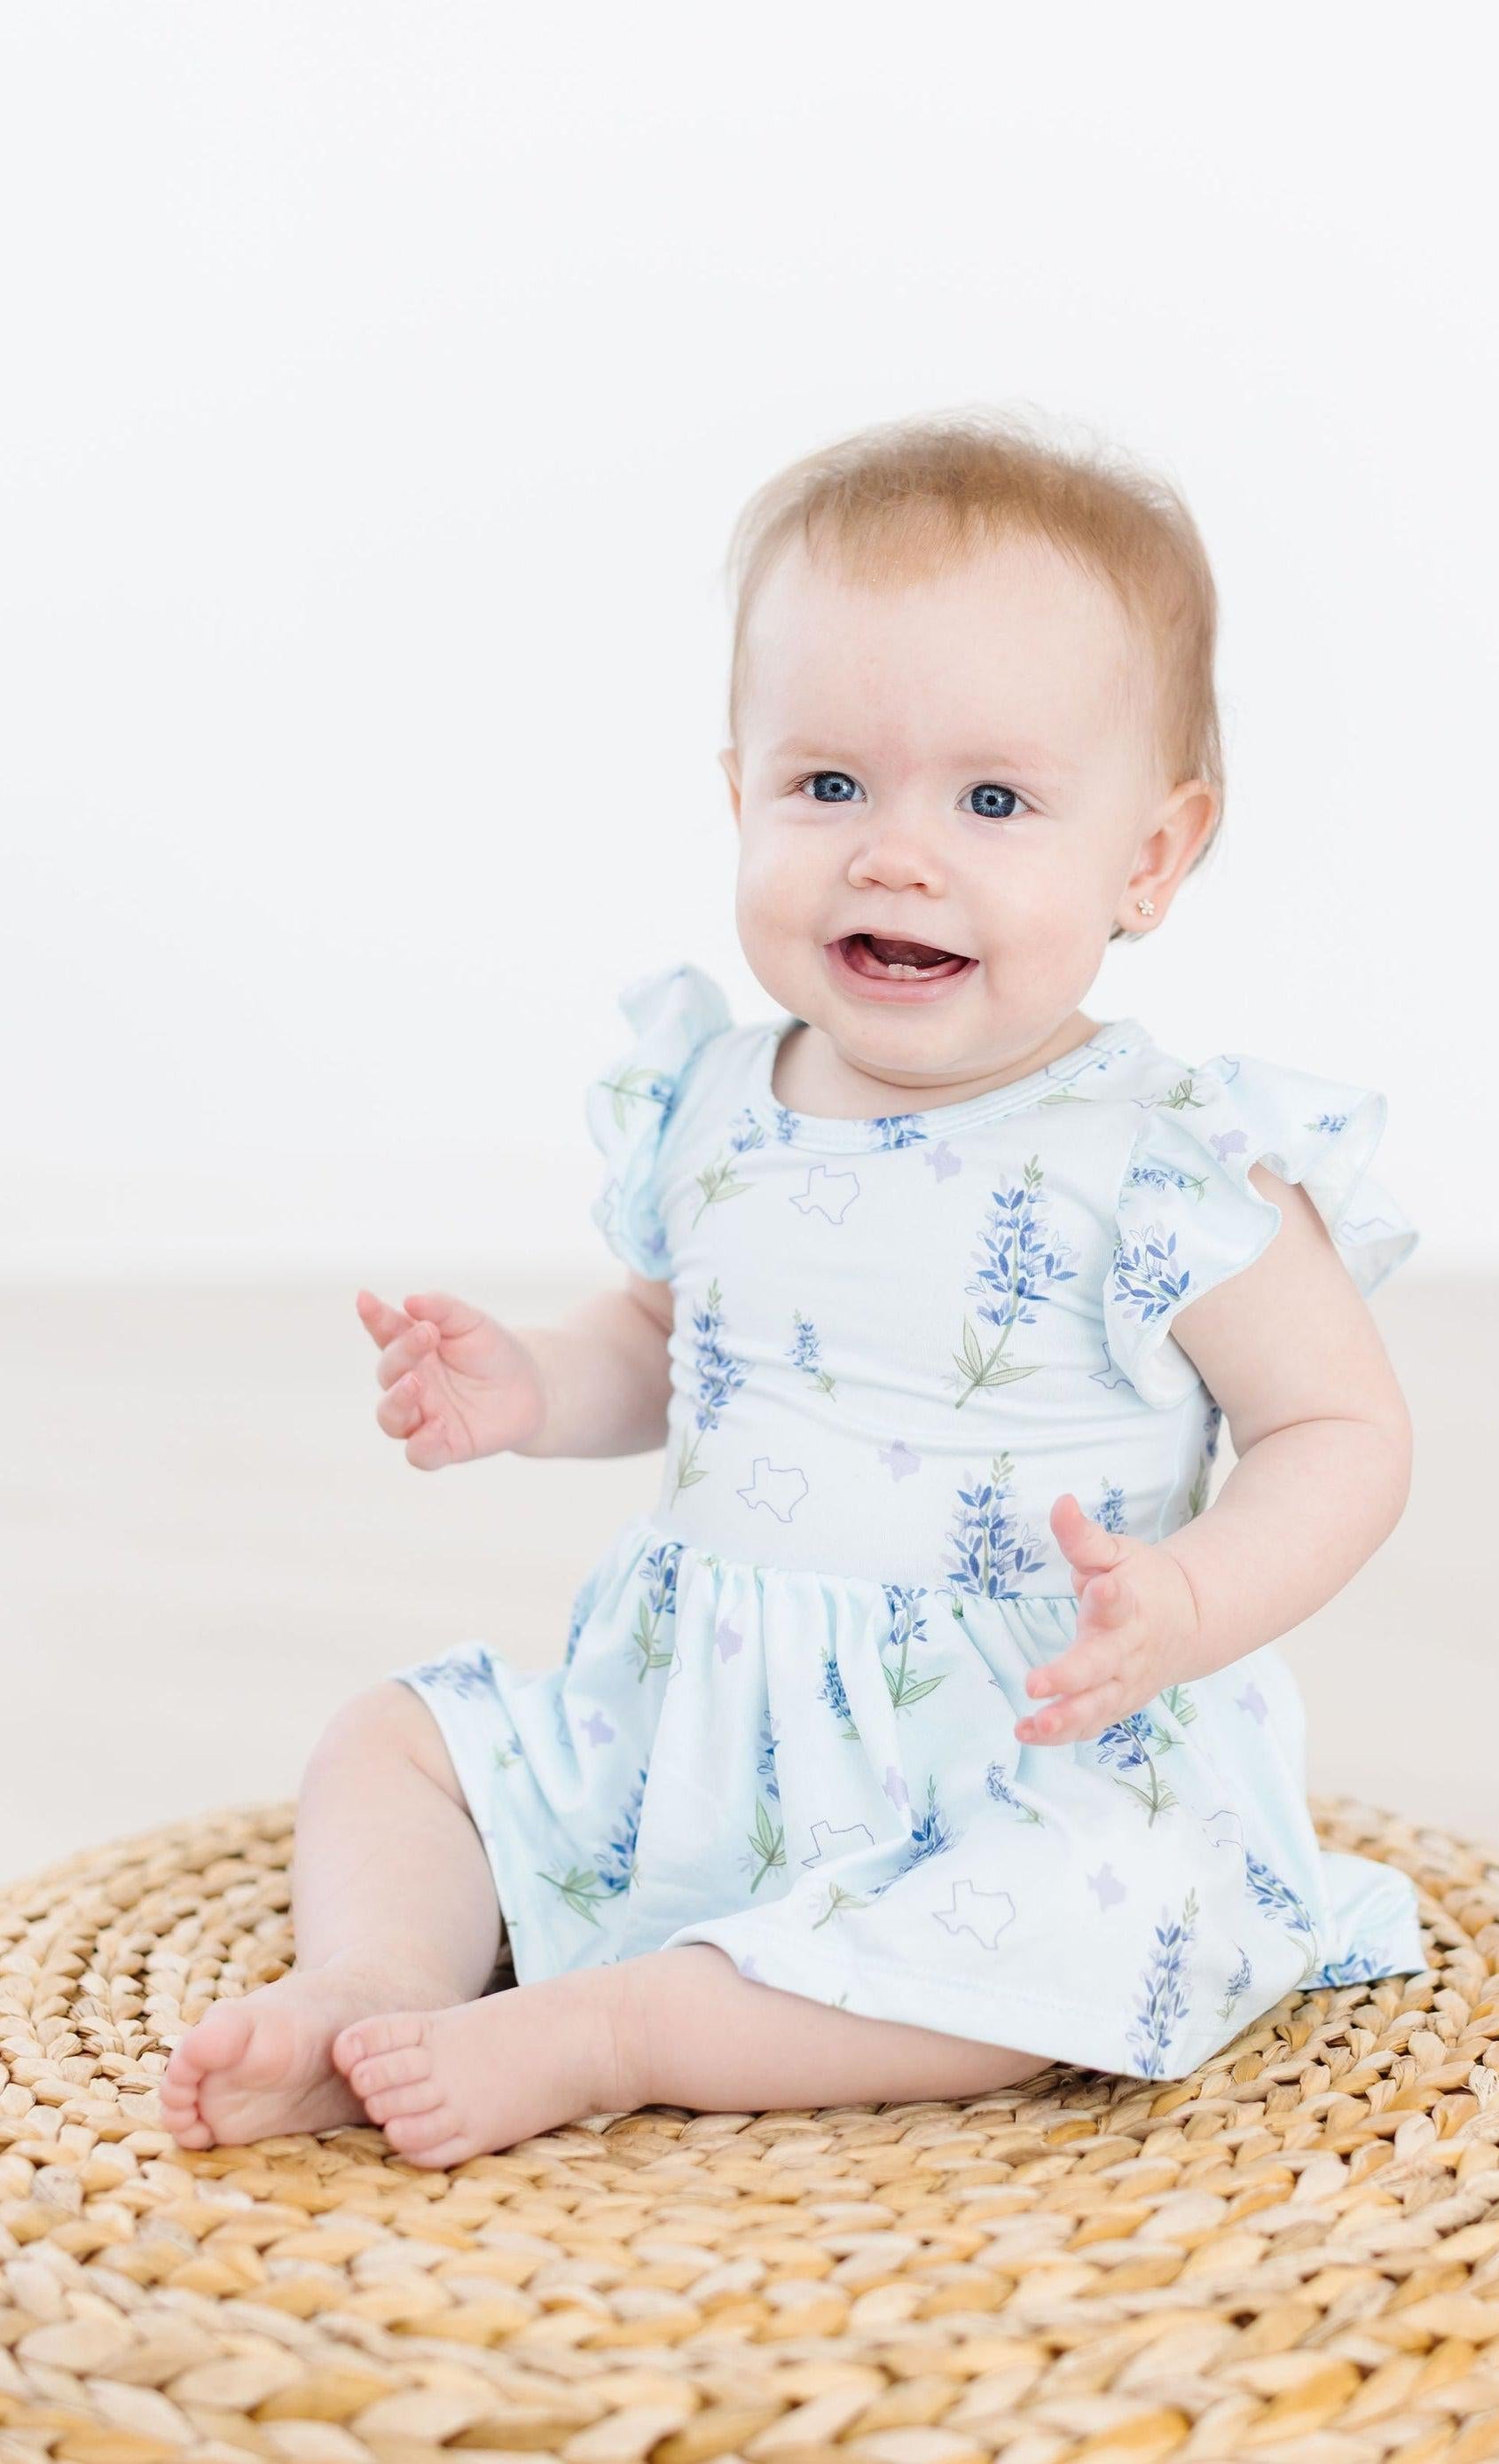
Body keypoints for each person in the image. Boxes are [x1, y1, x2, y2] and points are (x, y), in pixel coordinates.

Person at [160, 408, 1427, 2168]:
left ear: (1145, 855)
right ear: (735, 793)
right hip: (700, 1711)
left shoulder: (1159, 1155)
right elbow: (666, 1345)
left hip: (1006, 1743)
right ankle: (374, 1983)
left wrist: (1190, 1599)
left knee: (1091, 1913)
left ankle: (623, 2025)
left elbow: (1337, 1427)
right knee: (390, 1740)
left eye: (991, 801)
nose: (893, 853)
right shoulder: (716, 1101)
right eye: (827, 785)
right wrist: (531, 1385)